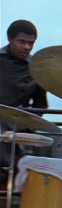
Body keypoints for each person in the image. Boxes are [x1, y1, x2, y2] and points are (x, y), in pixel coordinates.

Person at [0, 20, 48, 183]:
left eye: (31, 43)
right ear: (10, 39)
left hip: (19, 123)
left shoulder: (37, 69)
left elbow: (41, 106)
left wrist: (25, 119)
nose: (27, 47)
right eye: (21, 42)